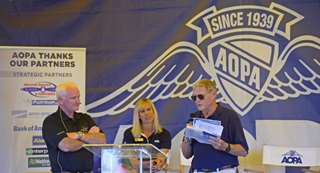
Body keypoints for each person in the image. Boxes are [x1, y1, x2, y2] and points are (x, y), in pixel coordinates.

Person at [181, 79, 249, 173]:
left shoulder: (229, 116)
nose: (197, 101)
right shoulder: (194, 118)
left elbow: (244, 151)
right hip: (198, 170)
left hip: (223, 170)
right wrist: (187, 141)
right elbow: (186, 155)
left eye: (201, 96)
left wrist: (225, 146)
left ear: (213, 94)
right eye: (194, 97)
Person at [42, 81, 106, 173]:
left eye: (78, 97)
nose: (78, 101)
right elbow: (66, 145)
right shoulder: (51, 121)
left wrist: (79, 135)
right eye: (73, 98)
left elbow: (102, 140)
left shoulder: (85, 118)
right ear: (60, 100)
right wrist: (89, 138)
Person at [122, 98, 171, 172]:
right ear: (138, 115)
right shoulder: (129, 133)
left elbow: (161, 158)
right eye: (142, 111)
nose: (146, 113)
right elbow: (134, 163)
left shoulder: (164, 134)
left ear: (154, 111)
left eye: (148, 109)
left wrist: (158, 164)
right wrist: (149, 164)